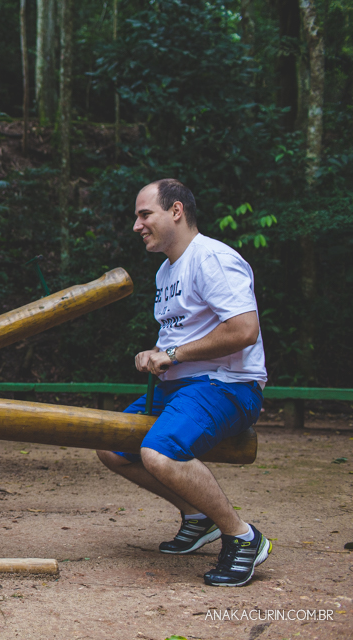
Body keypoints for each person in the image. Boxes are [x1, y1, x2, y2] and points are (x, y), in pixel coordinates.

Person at [96, 179, 271, 587]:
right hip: (179, 388)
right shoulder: (166, 271)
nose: (137, 225)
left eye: (144, 214)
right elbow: (180, 336)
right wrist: (154, 352)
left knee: (161, 453)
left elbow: (244, 329)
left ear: (176, 210)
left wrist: (173, 355)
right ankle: (198, 517)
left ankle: (243, 537)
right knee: (111, 445)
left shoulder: (211, 258)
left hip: (227, 385)